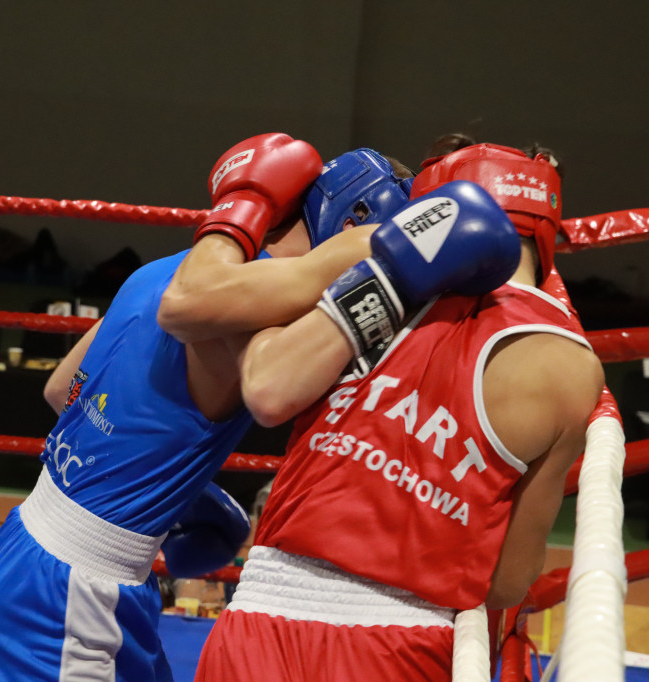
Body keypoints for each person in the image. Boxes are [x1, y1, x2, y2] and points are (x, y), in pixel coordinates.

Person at [0, 135, 418, 681]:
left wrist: (177, 485)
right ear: (356, 224)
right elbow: (268, 391)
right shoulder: (244, 315)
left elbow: (62, 390)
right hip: (75, 593)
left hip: (33, 547)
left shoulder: (182, 266)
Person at [195, 138, 606, 681]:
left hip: (261, 624)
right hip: (408, 646)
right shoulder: (573, 368)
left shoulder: (378, 268)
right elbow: (509, 581)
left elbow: (267, 387)